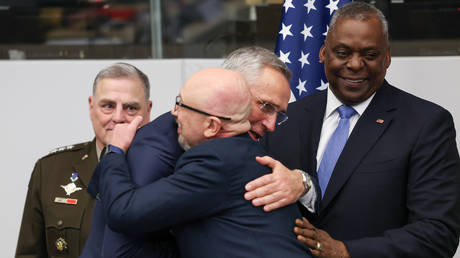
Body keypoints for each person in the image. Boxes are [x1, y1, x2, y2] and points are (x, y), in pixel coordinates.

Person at [257, 2, 460, 258]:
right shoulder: (284, 120)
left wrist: (345, 251)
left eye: (370, 55)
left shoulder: (426, 124)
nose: (354, 64)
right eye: (342, 52)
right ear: (322, 53)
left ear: (387, 58)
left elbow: (438, 233)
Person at [82, 46, 317, 257]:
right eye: (265, 106)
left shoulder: (230, 147)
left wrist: (302, 181)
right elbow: (121, 235)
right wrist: (114, 152)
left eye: (279, 112)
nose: (272, 124)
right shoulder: (158, 146)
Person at [15, 62, 152, 258]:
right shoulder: (51, 170)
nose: (118, 117)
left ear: (147, 111)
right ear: (91, 107)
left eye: (131, 108)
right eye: (108, 106)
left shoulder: (168, 173)